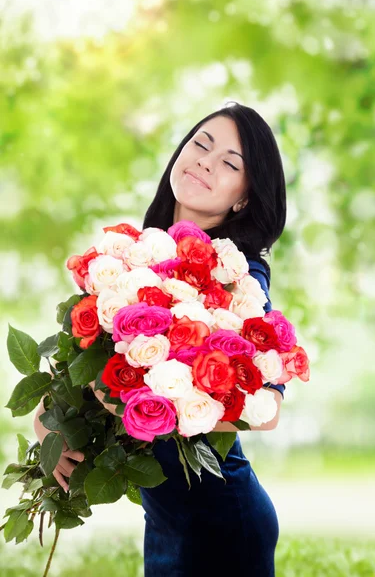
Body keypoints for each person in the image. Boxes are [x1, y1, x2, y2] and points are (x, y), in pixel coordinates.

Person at [33, 101, 287, 576]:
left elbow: (266, 406)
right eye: (201, 145)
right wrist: (52, 424)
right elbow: (82, 372)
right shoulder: (132, 263)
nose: (206, 162)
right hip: (169, 521)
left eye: (230, 163)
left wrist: (138, 404)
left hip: (222, 521)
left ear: (244, 199)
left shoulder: (237, 278)